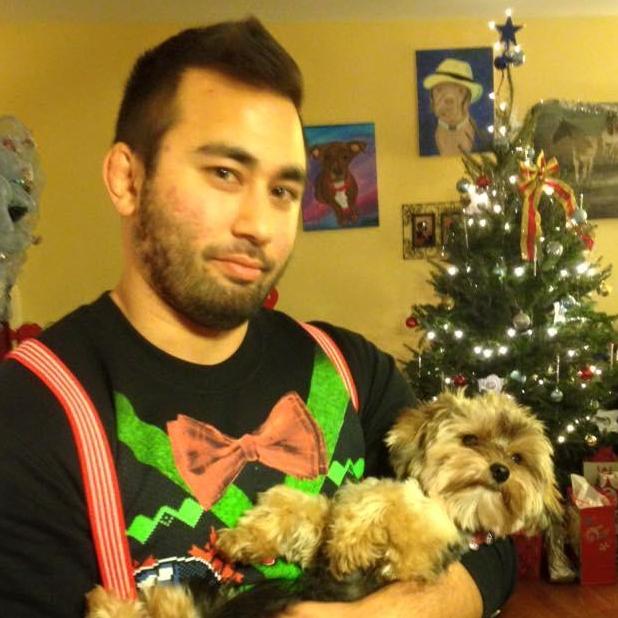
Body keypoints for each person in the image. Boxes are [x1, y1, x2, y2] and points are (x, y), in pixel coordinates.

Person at [0, 17, 516, 618]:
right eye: (225, 173)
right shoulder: (28, 414)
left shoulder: (352, 370)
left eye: (283, 191)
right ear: (127, 179)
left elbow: (487, 546)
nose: (260, 226)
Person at [422, 58, 483, 157]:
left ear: (468, 100)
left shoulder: (481, 137)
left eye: (460, 91)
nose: (448, 97)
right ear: (431, 98)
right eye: (439, 89)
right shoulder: (425, 136)